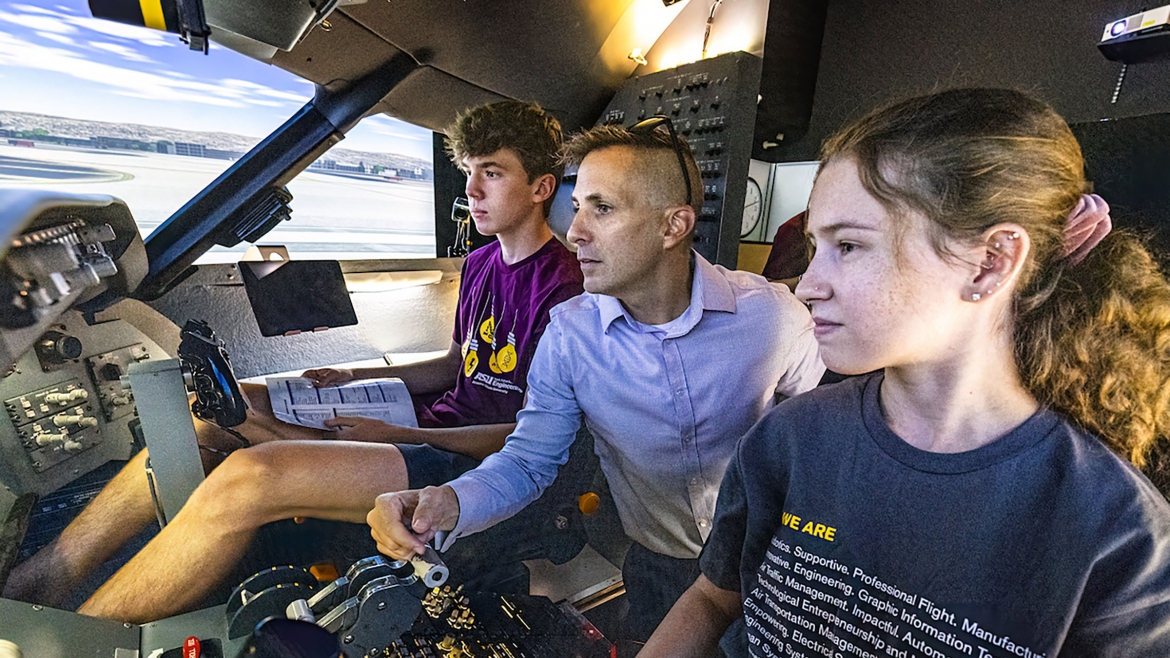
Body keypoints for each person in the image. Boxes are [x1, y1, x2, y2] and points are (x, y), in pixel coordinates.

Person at [3, 100, 585, 623]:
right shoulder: (483, 263)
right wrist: (357, 375)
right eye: (467, 173)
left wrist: (397, 432)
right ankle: (37, 582)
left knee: (249, 477)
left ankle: (76, 637)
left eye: (493, 172)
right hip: (426, 421)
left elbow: (530, 438)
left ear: (541, 188)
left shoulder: (567, 286)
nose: (473, 191)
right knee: (210, 413)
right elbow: (456, 365)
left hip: (473, 459)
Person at [641, 88, 1170, 658]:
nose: (810, 285)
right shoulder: (790, 439)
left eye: (848, 245)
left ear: (990, 263)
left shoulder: (1119, 536)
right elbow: (714, 599)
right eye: (815, 246)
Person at [367, 119, 825, 642]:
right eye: (578, 206)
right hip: (659, 567)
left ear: (673, 226)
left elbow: (823, 435)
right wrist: (445, 501)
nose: (575, 230)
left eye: (601, 209)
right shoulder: (569, 335)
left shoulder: (772, 317)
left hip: (774, 563)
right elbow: (528, 461)